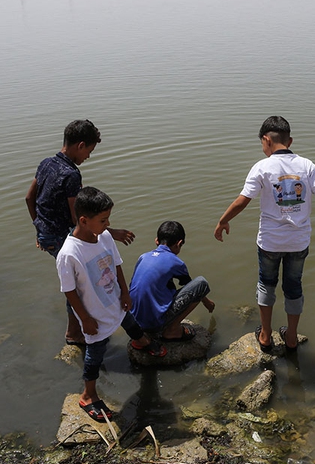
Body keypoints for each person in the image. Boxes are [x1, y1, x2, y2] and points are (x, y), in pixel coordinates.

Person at [214, 116, 315, 352]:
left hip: (270, 242)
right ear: (290, 140)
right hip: (298, 242)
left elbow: (242, 201)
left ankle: (265, 335)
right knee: (294, 286)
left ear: (266, 140)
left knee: (266, 285)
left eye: (262, 144)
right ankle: (292, 337)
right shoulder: (307, 165)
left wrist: (223, 220)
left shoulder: (261, 167)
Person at [55, 187, 165, 422]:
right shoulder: (69, 254)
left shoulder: (103, 236)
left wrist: (125, 293)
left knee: (129, 321)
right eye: (103, 220)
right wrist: (85, 318)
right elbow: (69, 291)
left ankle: (141, 341)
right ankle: (88, 394)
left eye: (108, 219)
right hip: (94, 313)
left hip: (114, 299)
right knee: (95, 354)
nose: (107, 224)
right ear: (83, 221)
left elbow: (116, 265)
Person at [25, 119, 135, 345]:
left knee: (75, 279)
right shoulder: (71, 174)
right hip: (60, 237)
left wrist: (39, 229)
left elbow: (29, 198)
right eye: (90, 151)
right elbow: (79, 219)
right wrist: (110, 232)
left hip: (47, 234)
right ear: (81, 145)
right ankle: (76, 332)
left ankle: (78, 328)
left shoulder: (46, 163)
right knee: (77, 283)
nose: (88, 157)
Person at [129, 221, 215, 341]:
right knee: (202, 283)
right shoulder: (176, 262)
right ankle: (172, 330)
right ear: (179, 243)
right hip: (153, 325)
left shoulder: (143, 257)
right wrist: (206, 302)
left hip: (135, 322)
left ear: (156, 241)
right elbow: (190, 285)